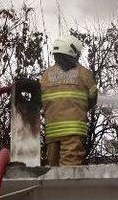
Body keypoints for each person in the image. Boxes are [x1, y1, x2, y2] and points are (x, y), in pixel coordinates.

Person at [40, 34, 98, 166]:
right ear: (72, 52)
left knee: (53, 174)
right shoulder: (83, 73)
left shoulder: (46, 75)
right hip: (74, 132)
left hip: (52, 134)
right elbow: (93, 98)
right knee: (69, 175)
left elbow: (40, 101)